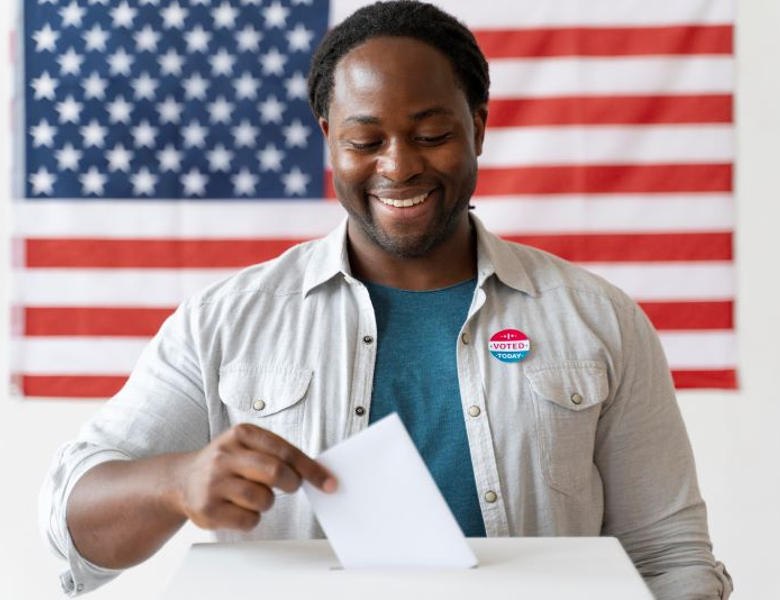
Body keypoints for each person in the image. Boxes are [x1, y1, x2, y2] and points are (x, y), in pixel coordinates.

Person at [40, 1, 733, 598]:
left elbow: (669, 559)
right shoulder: (227, 323)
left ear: (479, 128)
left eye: (431, 135)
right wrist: (176, 480)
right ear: (327, 140)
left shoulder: (597, 319)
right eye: (365, 140)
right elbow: (73, 529)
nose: (398, 165)